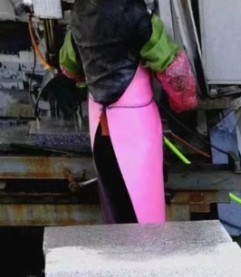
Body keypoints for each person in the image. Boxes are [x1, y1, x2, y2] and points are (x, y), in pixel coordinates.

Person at [59, 0, 198, 224]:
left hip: (100, 129)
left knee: (115, 209)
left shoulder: (78, 14)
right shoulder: (134, 12)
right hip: (135, 129)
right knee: (144, 213)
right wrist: (185, 111)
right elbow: (174, 70)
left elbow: (68, 66)